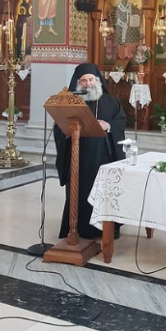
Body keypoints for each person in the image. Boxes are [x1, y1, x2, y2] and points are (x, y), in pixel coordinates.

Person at [54, 63, 127, 240]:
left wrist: (108, 125)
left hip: (104, 156)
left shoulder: (110, 101)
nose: (88, 84)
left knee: (104, 192)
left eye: (91, 79)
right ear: (78, 82)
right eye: (84, 80)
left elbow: (121, 121)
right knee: (80, 190)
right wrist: (66, 131)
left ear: (98, 80)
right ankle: (78, 226)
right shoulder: (71, 102)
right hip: (78, 155)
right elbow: (59, 127)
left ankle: (106, 228)